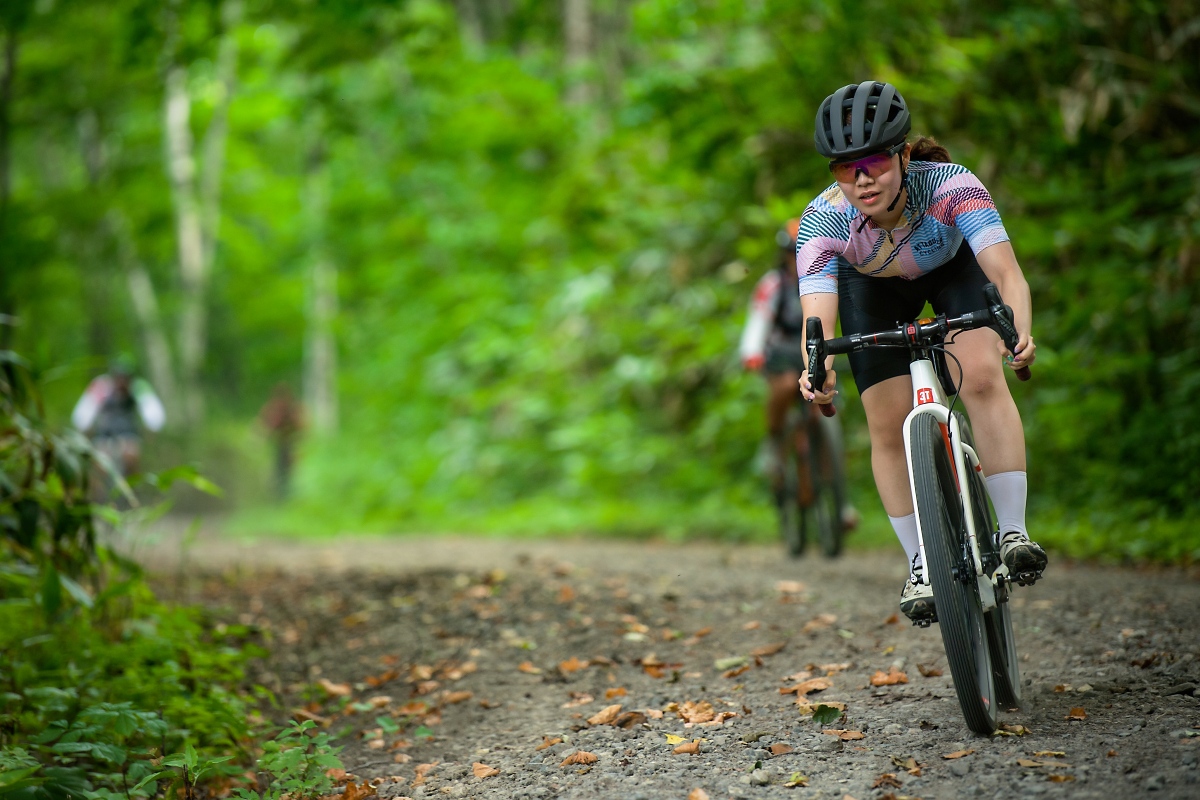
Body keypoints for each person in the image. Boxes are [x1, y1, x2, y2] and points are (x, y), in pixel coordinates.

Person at [795, 80, 1047, 620]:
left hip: (954, 273)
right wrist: (818, 369)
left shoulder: (952, 186)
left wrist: (1019, 334)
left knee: (980, 376)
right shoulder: (822, 218)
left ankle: (1013, 533)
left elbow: (1007, 275)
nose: (862, 179)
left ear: (904, 154)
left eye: (875, 162)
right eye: (845, 168)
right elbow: (817, 319)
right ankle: (919, 564)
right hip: (872, 289)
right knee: (886, 423)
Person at [739, 220, 857, 532]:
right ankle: (774, 441)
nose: (796, 259)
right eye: (791, 253)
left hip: (817, 347)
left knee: (828, 416)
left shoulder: (825, 276)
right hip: (781, 351)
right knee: (783, 387)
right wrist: (752, 352)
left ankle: (839, 497)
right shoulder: (773, 285)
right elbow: (758, 320)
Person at [71, 355, 165, 483]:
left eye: (125, 378)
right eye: (119, 377)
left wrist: (151, 429)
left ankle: (132, 493)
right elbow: (83, 414)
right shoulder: (101, 387)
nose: (122, 382)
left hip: (128, 435)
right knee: (99, 464)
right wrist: (85, 430)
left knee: (131, 456)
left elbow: (154, 414)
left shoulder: (138, 387)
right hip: (104, 436)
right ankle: (98, 498)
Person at [259, 383, 304, 500]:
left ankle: (288, 496)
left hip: (291, 445)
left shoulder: (294, 409)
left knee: (289, 473)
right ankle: (279, 496)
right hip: (279, 445)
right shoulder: (273, 409)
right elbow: (266, 426)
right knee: (278, 471)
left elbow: (302, 427)